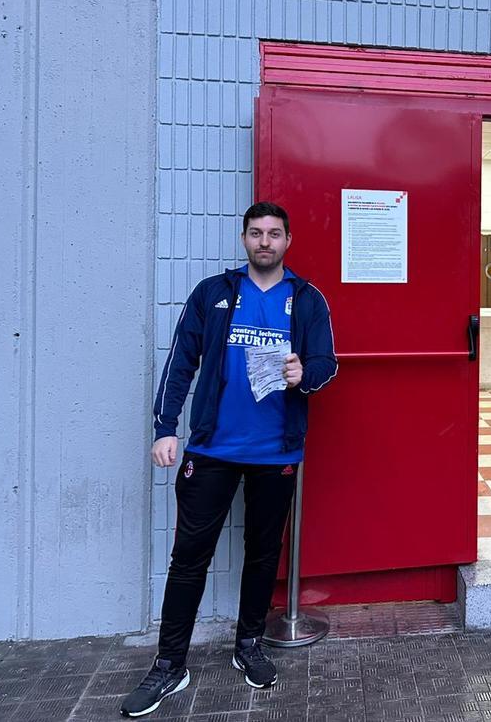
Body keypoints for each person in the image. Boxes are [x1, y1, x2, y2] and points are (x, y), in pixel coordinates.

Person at [121, 202, 338, 718]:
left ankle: (248, 646)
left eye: (275, 234)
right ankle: (170, 664)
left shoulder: (306, 300)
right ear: (244, 239)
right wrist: (164, 429)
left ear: (288, 241)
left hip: (276, 451)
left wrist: (302, 373)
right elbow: (180, 362)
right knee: (189, 558)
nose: (265, 242)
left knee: (264, 553)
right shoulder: (214, 294)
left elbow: (328, 364)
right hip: (212, 448)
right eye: (256, 233)